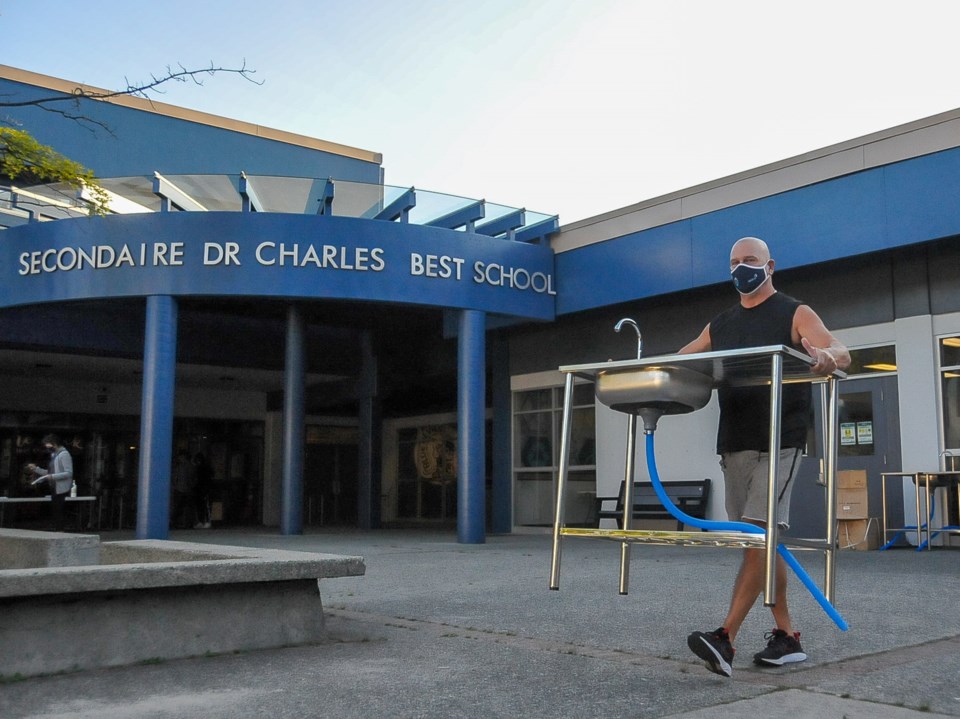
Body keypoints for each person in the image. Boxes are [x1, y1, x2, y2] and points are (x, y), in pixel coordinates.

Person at [679, 236, 850, 678]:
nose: (742, 268)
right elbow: (686, 357)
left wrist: (825, 358)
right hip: (733, 442)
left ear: (769, 265)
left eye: (750, 261)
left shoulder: (794, 312)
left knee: (758, 538)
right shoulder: (720, 323)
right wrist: (649, 369)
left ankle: (725, 638)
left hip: (780, 441)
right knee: (759, 545)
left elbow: (839, 350)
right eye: (734, 262)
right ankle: (787, 637)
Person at [26, 434, 74, 531]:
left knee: (59, 509)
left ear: (54, 444)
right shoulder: (54, 455)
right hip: (54, 486)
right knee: (55, 509)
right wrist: (36, 469)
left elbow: (68, 473)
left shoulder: (64, 454)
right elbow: (51, 472)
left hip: (61, 488)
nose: (46, 447)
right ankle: (57, 528)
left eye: (47, 444)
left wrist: (52, 476)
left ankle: (60, 529)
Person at [170, 450, 196, 529]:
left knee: (177, 507)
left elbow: (175, 478)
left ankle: (174, 523)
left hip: (179, 489)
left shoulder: (179, 467)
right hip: (189, 490)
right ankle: (189, 523)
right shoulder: (192, 466)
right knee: (188, 507)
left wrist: (174, 485)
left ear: (183, 457)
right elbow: (194, 479)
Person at [192, 452, 214, 529]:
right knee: (205, 506)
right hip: (205, 488)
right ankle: (207, 521)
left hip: (201, 488)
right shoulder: (207, 467)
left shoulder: (199, 468)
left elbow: (198, 479)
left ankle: (202, 521)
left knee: (201, 506)